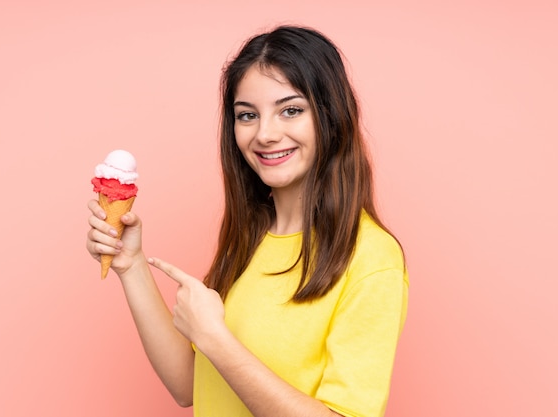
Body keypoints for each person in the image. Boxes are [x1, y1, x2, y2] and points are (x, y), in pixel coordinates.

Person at [86, 25, 409, 417]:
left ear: (331, 117)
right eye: (247, 115)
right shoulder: (252, 237)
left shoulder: (372, 259)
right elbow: (189, 385)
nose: (265, 134)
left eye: (291, 110)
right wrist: (130, 263)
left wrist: (216, 339)